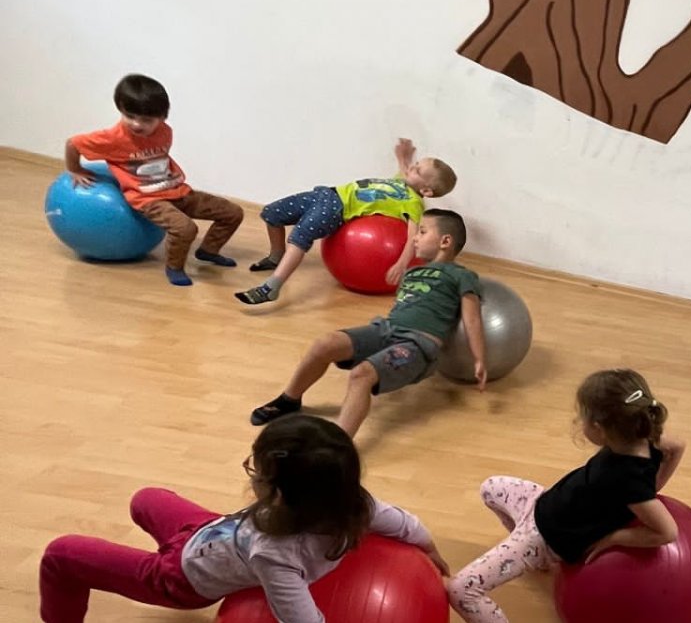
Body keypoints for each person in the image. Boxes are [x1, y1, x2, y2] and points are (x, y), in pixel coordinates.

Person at [9, 418, 445, 623]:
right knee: (145, 498)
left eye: (256, 469)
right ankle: (167, 540)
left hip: (181, 578)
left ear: (278, 495)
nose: (251, 473)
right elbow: (406, 524)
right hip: (209, 531)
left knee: (61, 555)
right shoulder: (352, 503)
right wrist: (432, 553)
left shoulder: (276, 554)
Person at [447, 368, 686, 623]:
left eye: (581, 417)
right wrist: (655, 485)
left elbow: (667, 531)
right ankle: (532, 562)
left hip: (544, 539)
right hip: (542, 503)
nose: (579, 422)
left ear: (599, 429)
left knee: (462, 589)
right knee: (490, 488)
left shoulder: (628, 480)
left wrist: (615, 537)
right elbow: (678, 446)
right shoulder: (646, 437)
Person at [249, 208, 486, 437]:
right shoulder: (413, 272)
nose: (414, 238)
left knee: (362, 375)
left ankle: (339, 444)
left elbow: (472, 318)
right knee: (324, 344)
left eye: (422, 232)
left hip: (417, 344)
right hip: (385, 330)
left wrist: (479, 359)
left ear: (445, 241)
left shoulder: (462, 275)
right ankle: (289, 399)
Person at [65, 73, 243, 288]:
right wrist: (75, 169)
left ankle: (208, 251)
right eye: (130, 116)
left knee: (233, 213)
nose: (137, 124)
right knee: (185, 229)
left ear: (162, 117)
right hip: (147, 199)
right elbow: (73, 144)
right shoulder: (112, 138)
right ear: (120, 109)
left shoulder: (165, 132)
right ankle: (174, 268)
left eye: (147, 120)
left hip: (176, 190)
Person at [236, 138, 458, 306]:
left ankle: (271, 287)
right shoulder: (404, 181)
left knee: (299, 237)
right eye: (416, 164)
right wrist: (403, 155)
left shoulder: (413, 203)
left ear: (426, 190)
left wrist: (401, 264)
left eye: (418, 169)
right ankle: (276, 256)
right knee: (271, 214)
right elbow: (406, 169)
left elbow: (412, 238)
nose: (412, 168)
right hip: (327, 193)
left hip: (337, 209)